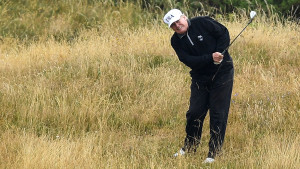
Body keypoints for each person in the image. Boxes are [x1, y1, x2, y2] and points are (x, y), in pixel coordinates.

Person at [163, 9, 234, 163]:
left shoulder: (202, 22)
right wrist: (210, 58)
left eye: (178, 21)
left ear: (184, 17)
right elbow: (189, 60)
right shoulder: (175, 41)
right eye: (173, 25)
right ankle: (189, 147)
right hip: (200, 76)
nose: (177, 25)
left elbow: (223, 33)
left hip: (223, 72)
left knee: (218, 113)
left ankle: (213, 153)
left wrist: (220, 53)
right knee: (194, 112)